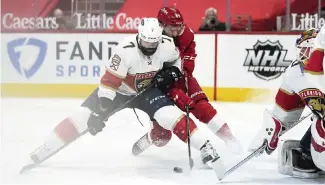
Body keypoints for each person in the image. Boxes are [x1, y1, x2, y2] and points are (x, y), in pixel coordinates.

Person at [26, 18, 226, 178]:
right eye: (146, 41)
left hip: (148, 91)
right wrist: (101, 109)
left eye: (153, 42)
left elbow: (176, 59)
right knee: (83, 116)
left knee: (170, 115)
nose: (149, 46)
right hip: (118, 93)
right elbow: (109, 82)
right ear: (139, 36)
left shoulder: (165, 45)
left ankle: (205, 146)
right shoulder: (124, 51)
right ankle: (47, 147)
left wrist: (173, 70)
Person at [132, 6, 242, 158]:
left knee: (203, 107)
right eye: (173, 28)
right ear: (161, 25)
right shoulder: (151, 39)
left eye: (180, 26)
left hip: (182, 78)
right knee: (162, 136)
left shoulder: (186, 34)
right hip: (160, 87)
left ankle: (230, 139)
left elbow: (189, 61)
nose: (178, 31)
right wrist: (172, 90)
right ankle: (151, 137)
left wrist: (182, 74)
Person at [249, 28, 325, 178]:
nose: (305, 55)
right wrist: (269, 132)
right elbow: (285, 111)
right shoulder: (295, 73)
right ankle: (307, 152)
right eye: (302, 49)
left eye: (309, 49)